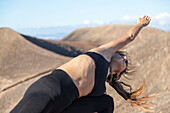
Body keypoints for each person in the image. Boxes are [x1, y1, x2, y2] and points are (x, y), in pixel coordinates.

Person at [11, 16, 151, 113]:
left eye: (124, 60)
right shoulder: (103, 53)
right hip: (49, 89)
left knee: (107, 102)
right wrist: (140, 24)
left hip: (62, 106)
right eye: (121, 55)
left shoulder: (99, 90)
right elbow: (129, 37)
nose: (123, 57)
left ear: (118, 74)